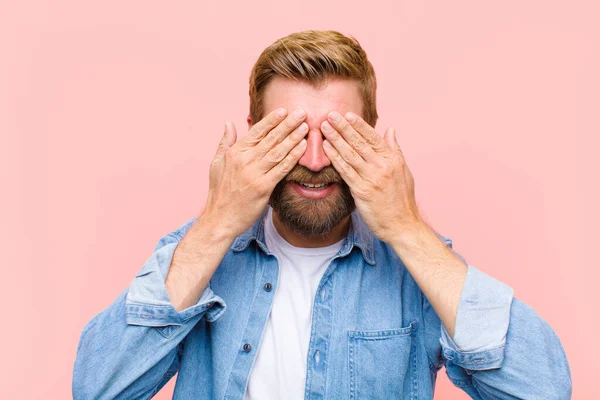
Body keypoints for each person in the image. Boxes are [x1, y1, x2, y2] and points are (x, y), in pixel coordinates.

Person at [72, 30, 572, 399]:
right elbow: (98, 390)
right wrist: (219, 220)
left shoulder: (414, 269)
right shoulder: (199, 253)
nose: (313, 162)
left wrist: (405, 226)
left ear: (373, 139)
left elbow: (545, 391)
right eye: (288, 136)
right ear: (251, 137)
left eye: (337, 136)